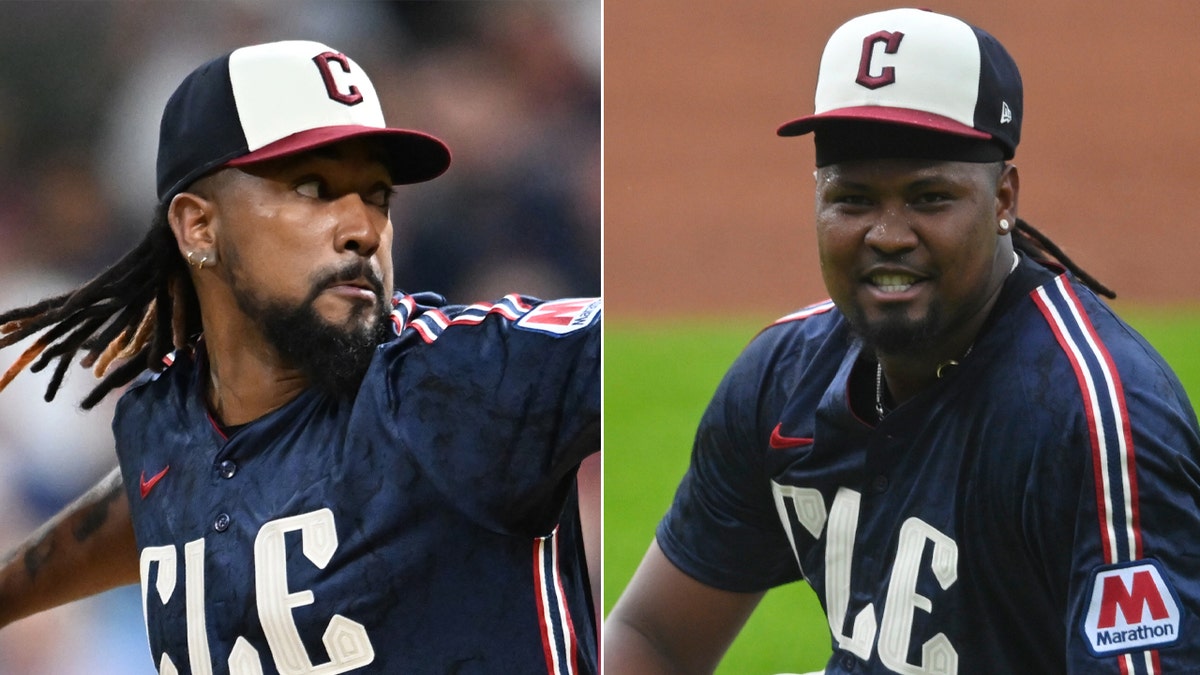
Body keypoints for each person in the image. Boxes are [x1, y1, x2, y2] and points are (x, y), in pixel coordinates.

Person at [605, 8, 1200, 674]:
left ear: (1004, 198)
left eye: (928, 197)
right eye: (852, 199)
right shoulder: (782, 378)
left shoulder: (1089, 418)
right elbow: (650, 633)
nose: (887, 233)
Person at [0, 40, 599, 674]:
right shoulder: (162, 424)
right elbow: (162, 491)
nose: (364, 228)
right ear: (199, 227)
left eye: (377, 195)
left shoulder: (453, 382)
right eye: (314, 188)